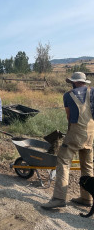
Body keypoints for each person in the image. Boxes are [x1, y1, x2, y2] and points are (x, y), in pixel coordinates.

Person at [41, 72, 94, 210]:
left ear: (74, 82)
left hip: (76, 132)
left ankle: (58, 198)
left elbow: (69, 116)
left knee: (63, 162)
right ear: (84, 82)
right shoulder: (92, 92)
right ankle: (87, 197)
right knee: (87, 165)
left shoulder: (68, 95)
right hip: (90, 133)